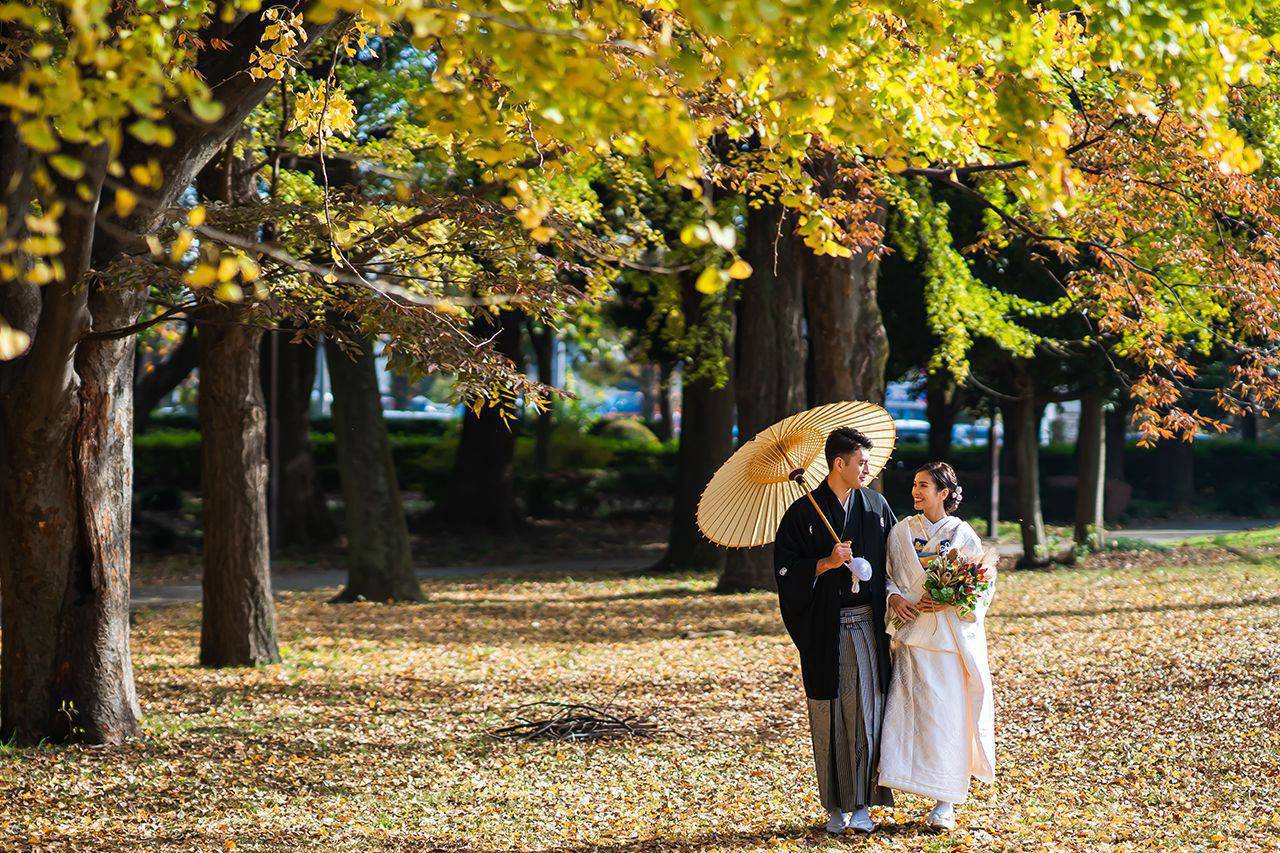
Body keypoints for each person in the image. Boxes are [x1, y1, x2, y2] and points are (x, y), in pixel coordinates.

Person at [773, 427, 897, 834]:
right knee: (830, 716)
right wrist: (825, 563)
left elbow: (898, 562)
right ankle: (835, 807)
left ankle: (862, 802)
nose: (867, 469)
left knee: (867, 714)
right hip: (826, 629)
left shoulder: (876, 506)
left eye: (868, 462)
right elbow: (785, 572)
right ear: (839, 463)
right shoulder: (802, 514)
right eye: (860, 462)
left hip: (867, 624)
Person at [880, 462, 997, 832]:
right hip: (911, 636)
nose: (916, 491)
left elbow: (982, 586)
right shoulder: (900, 532)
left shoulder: (962, 534)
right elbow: (886, 577)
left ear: (944, 493)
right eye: (914, 485)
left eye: (924, 486)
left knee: (946, 718)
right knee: (909, 715)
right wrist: (894, 598)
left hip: (947, 641)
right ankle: (904, 779)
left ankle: (945, 800)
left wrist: (949, 599)